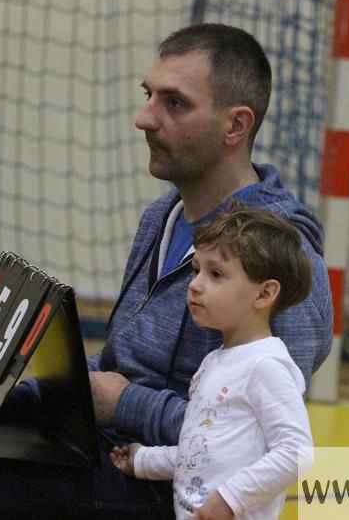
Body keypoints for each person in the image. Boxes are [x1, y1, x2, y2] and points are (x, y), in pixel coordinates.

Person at [0, 23, 332, 518]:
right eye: (149, 96)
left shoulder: (283, 254)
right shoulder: (163, 216)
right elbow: (116, 364)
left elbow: (258, 440)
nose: (145, 118)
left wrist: (127, 404)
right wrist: (3, 400)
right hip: (101, 438)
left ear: (235, 126)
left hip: (172, 479)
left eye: (174, 103)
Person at [110, 206, 315, 520]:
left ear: (264, 294)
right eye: (196, 270)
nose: (195, 284)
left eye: (215, 274)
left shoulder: (266, 366)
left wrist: (230, 499)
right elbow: (203, 451)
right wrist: (143, 461)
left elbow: (296, 454)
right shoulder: (214, 361)